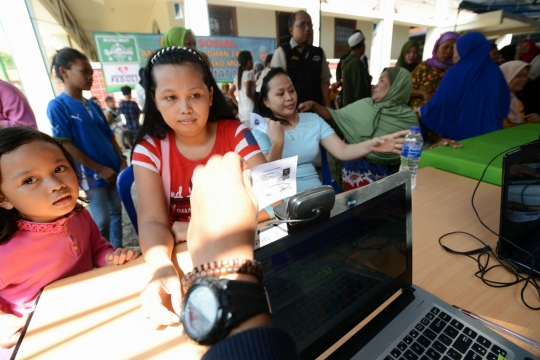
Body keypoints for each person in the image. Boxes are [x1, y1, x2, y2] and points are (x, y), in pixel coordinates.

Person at [131, 46, 268, 327]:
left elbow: (273, 199)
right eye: (170, 97)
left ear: (210, 95)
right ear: (155, 101)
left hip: (245, 249)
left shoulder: (236, 133)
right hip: (183, 258)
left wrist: (195, 228)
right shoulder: (149, 150)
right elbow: (152, 221)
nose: (185, 108)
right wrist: (161, 268)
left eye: (195, 95)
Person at [0, 127, 139, 359]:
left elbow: (98, 248)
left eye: (59, 168)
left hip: (88, 315)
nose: (55, 184)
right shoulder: (6, 251)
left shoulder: (78, 214)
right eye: (30, 180)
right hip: (36, 339)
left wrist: (111, 258)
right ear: (3, 199)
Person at [252, 68, 407, 192]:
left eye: (292, 90)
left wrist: (372, 145)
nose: (289, 97)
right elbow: (266, 180)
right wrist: (278, 143)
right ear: (266, 101)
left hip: (317, 198)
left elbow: (343, 151)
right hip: (282, 205)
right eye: (280, 94)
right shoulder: (262, 130)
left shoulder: (312, 120)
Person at [47, 47, 126, 249]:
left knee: (117, 212)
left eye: (91, 71)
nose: (90, 76)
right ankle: (102, 255)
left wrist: (122, 159)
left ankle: (116, 250)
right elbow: (65, 144)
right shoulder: (58, 106)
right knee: (101, 221)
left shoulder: (93, 105)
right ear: (64, 72)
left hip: (113, 168)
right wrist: (99, 168)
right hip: (91, 174)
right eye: (84, 71)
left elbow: (109, 135)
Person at [299, 67, 419, 191]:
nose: (375, 86)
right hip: (354, 171)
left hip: (389, 180)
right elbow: (334, 116)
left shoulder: (408, 118)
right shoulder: (365, 105)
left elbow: (409, 159)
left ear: (397, 86)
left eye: (382, 81)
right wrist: (313, 105)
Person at [419, 32, 510, 142]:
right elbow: (504, 107)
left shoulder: (456, 73)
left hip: (462, 138)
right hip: (491, 137)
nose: (454, 55)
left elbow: (441, 108)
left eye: (456, 51)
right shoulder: (496, 72)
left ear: (466, 51)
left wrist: (423, 111)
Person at [271, 10, 331, 107]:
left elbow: (324, 83)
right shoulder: (282, 52)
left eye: (309, 24)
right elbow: (277, 87)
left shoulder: (318, 52)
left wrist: (328, 110)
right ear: (291, 30)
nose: (307, 28)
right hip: (293, 112)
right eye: (302, 25)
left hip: (317, 110)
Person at [410, 31, 459, 109]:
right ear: (437, 47)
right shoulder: (424, 67)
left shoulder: (454, 71)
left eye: (453, 48)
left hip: (438, 113)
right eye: (446, 47)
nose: (449, 51)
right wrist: (422, 92)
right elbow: (407, 91)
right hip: (415, 113)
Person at [500, 61, 540, 127]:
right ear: (505, 77)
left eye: (525, 76)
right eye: (518, 76)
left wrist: (534, 119)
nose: (524, 79)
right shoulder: (490, 102)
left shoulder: (517, 102)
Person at [340, 32, 371, 107]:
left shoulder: (348, 61)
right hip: (355, 107)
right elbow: (358, 89)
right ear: (362, 45)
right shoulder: (356, 63)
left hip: (348, 105)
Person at [228, 51, 255, 126]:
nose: (253, 63)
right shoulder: (248, 74)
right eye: (252, 60)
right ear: (249, 62)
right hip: (251, 112)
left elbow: (230, 93)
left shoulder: (237, 77)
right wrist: (257, 101)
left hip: (242, 114)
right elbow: (248, 93)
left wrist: (239, 105)